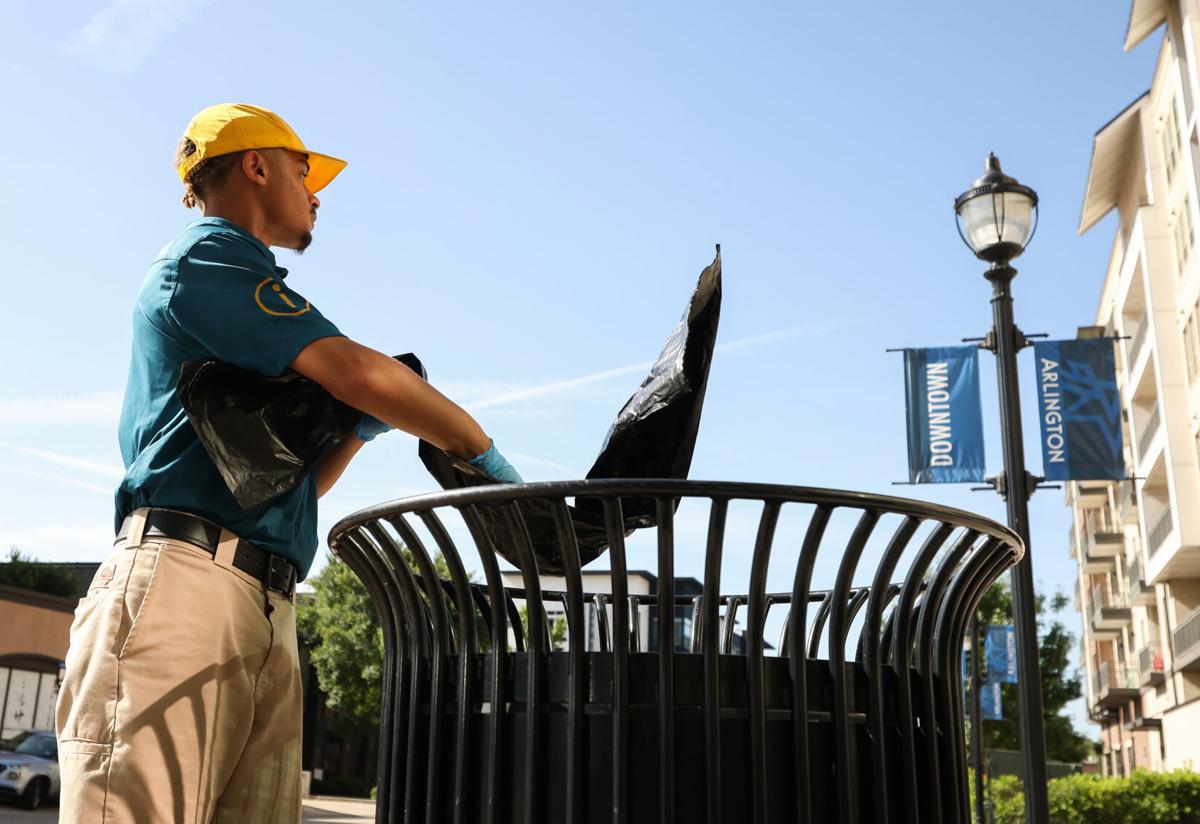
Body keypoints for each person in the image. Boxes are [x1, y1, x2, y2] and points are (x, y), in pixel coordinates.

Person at [54, 102, 522, 823]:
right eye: (305, 172)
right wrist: (476, 448)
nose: (316, 194)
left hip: (266, 601)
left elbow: (287, 483)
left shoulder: (248, 312)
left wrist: (356, 433)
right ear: (256, 164)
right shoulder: (205, 261)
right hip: (182, 590)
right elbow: (356, 370)